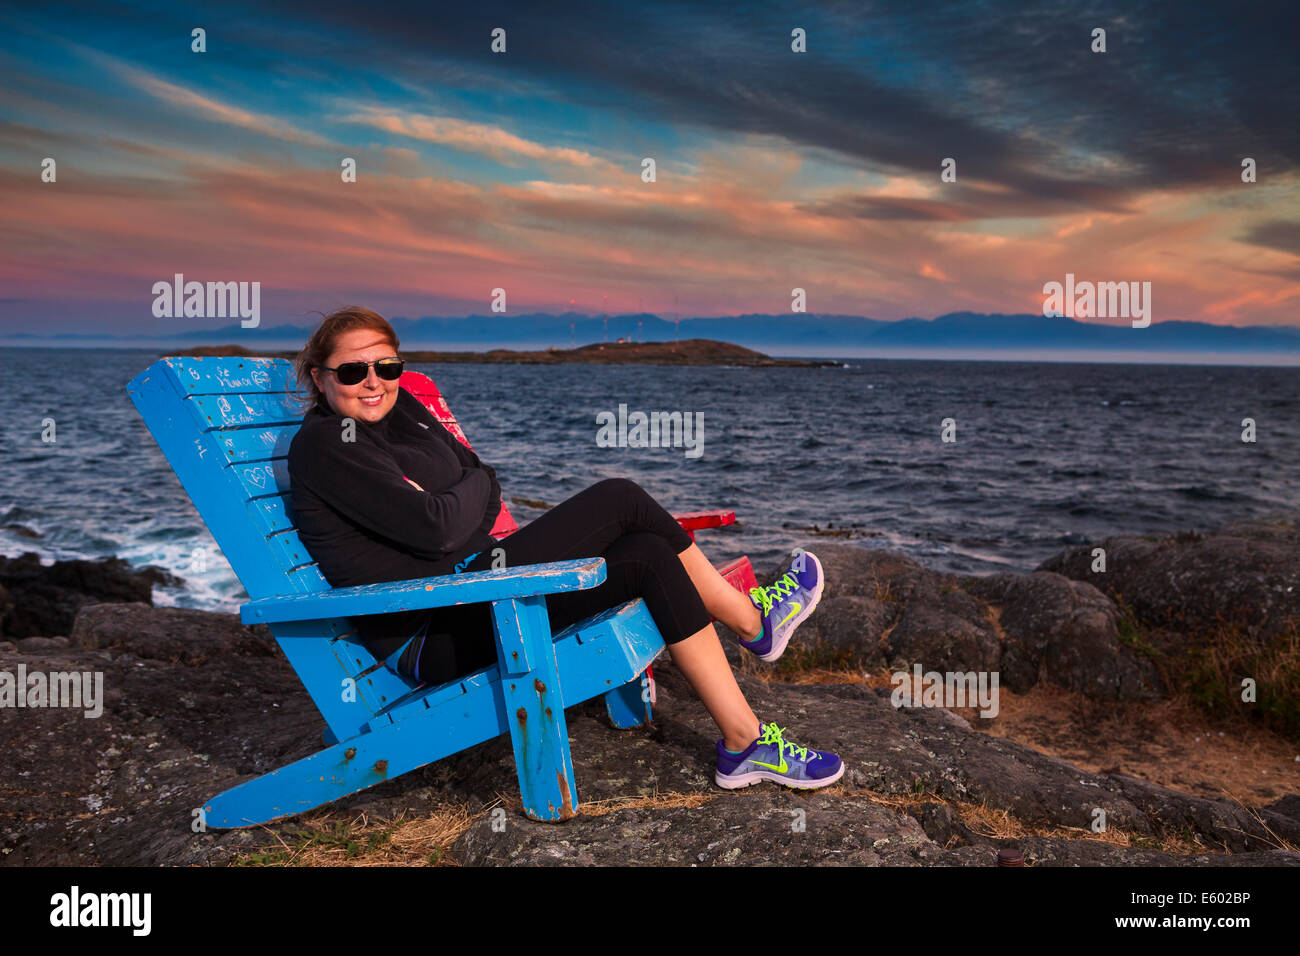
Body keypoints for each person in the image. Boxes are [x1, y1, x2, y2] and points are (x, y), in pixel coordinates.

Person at [287, 305, 844, 791]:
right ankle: (753, 624)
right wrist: (458, 500)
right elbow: (437, 529)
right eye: (353, 370)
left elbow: (480, 478)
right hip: (434, 628)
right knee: (621, 498)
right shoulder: (327, 444)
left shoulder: (400, 408)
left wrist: (459, 500)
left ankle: (745, 745)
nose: (373, 382)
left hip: (479, 585)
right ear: (319, 376)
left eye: (386, 366)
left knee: (648, 550)